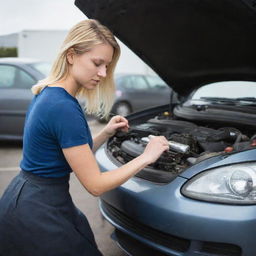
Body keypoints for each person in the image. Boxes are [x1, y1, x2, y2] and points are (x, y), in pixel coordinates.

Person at [0, 19, 169, 256]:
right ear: (71, 55)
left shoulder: (48, 92)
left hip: (25, 197)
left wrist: (105, 132)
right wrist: (147, 157)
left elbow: (69, 152)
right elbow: (95, 185)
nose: (103, 73)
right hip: (39, 209)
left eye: (107, 66)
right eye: (97, 63)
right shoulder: (63, 107)